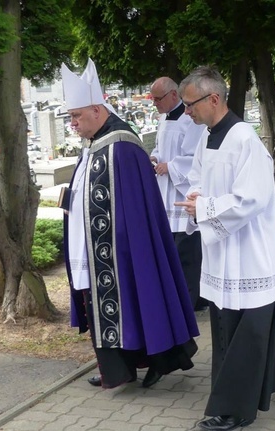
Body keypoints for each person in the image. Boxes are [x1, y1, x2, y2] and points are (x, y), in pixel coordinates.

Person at [174, 66, 275, 431]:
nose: (186, 112)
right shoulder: (208, 137)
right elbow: (196, 179)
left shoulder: (244, 140)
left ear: (214, 99)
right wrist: (195, 197)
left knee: (244, 331)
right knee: (259, 317)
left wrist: (204, 209)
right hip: (224, 250)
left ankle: (235, 410)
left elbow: (250, 199)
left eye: (190, 104)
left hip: (251, 251)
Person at [61, 59, 199, 389]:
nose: (73, 124)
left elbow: (135, 206)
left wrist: (125, 245)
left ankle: (159, 361)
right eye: (70, 118)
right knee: (106, 306)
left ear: (97, 109)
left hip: (121, 247)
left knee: (141, 302)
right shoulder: (94, 142)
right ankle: (117, 369)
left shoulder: (122, 144)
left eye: (76, 116)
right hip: (96, 248)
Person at [149, 76, 208, 311]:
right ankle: (180, 298)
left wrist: (171, 166)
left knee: (187, 252)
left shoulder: (190, 120)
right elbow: (159, 146)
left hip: (182, 192)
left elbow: (196, 155)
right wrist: (155, 156)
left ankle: (191, 301)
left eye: (158, 98)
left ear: (174, 95)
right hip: (166, 191)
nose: (155, 103)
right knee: (173, 249)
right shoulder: (163, 119)